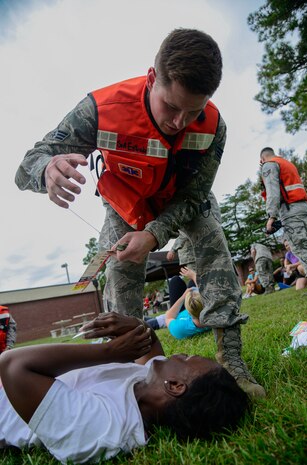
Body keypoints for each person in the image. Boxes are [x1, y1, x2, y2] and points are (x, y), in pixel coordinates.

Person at [15, 28, 265, 398]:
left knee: (213, 244)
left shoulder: (214, 126)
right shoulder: (99, 110)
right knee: (119, 274)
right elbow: (26, 167)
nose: (180, 122)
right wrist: (46, 169)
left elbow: (196, 196)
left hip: (180, 200)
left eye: (192, 110)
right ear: (152, 79)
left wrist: (154, 234)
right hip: (125, 201)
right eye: (172, 107)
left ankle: (232, 362)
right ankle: (129, 372)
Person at [0, 313, 249, 464]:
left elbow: (13, 366)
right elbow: (150, 346)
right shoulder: (146, 384)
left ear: (174, 386)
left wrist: (109, 352)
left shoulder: (106, 428)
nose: (179, 353)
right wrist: (135, 325)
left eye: (184, 359)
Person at [260, 147, 307, 288]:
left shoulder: (269, 165)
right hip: (304, 207)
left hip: (291, 209)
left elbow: (272, 191)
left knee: (301, 246)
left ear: (262, 159)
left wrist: (271, 216)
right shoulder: (287, 163)